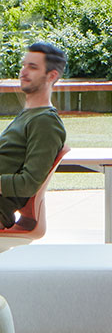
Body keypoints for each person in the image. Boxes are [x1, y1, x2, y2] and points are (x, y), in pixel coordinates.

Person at [0, 41, 68, 230]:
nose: (23, 72)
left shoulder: (45, 122)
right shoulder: (28, 115)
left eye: (33, 67)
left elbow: (29, 183)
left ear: (51, 75)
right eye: (24, 65)